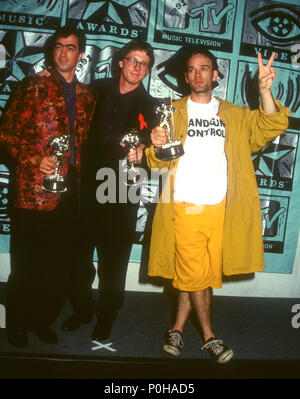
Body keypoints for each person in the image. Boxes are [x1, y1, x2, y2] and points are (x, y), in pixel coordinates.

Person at [146, 46, 291, 363]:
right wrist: (156, 146)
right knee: (196, 273)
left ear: (215, 75)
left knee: (198, 275)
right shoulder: (172, 111)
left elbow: (270, 125)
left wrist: (265, 91)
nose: (198, 74)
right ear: (185, 77)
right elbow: (156, 162)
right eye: (192, 69)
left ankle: (177, 328)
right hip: (185, 206)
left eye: (204, 68)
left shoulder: (234, 114)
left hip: (221, 209)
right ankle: (210, 337)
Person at [0, 26, 95, 348]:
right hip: (33, 193)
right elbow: (6, 134)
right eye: (58, 47)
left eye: (71, 48)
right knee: (26, 266)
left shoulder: (87, 96)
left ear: (81, 54)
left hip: (71, 196)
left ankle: (41, 320)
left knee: (56, 268)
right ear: (51, 51)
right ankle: (17, 325)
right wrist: (33, 158)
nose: (64, 53)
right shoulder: (33, 87)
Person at [60, 39, 157, 341]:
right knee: (76, 255)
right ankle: (82, 307)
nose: (137, 67)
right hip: (85, 183)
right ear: (120, 62)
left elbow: (156, 152)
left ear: (148, 70)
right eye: (132, 60)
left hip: (122, 189)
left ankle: (106, 315)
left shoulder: (154, 107)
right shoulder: (95, 90)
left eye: (144, 63)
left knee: (114, 260)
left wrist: (144, 151)